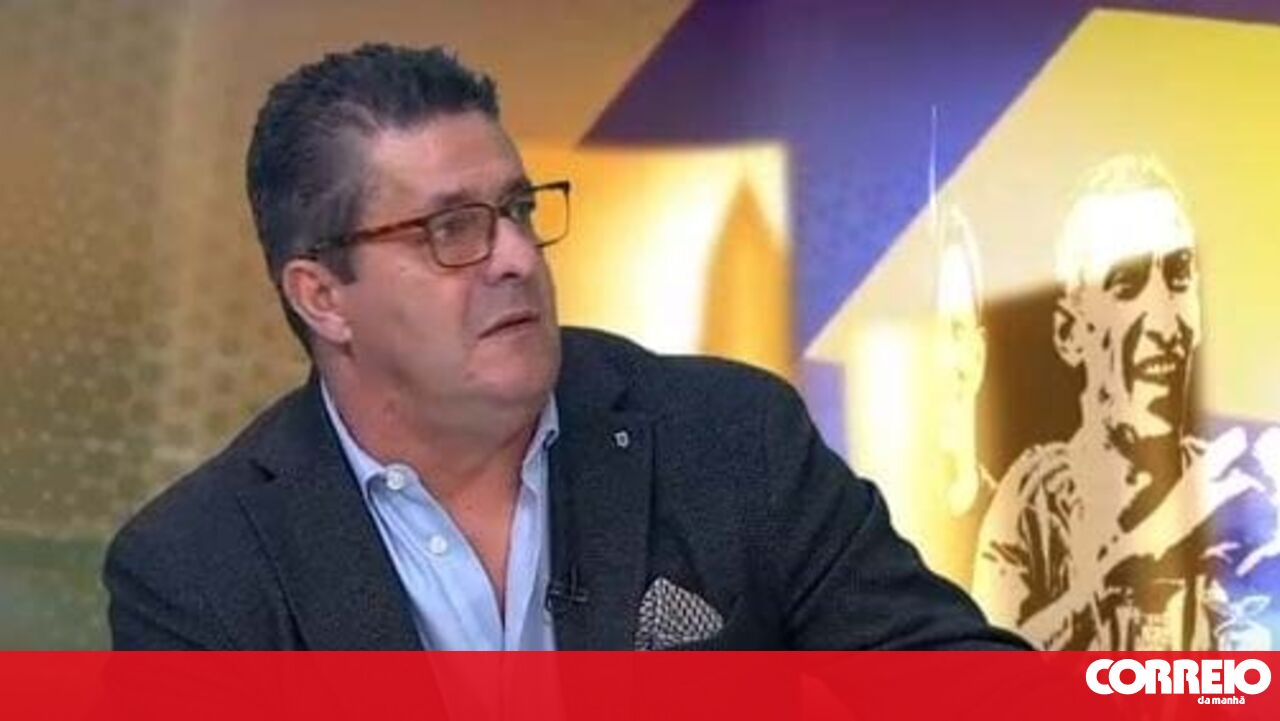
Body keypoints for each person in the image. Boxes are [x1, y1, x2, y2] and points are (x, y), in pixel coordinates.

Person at [104, 43, 1025, 650]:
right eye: (451, 229)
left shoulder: (730, 438)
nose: (514, 255)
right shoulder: (200, 569)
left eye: (517, 209)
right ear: (322, 297)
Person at [971, 155, 1273, 650]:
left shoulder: (1245, 500)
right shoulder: (1032, 506)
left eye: (1179, 277)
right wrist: (1125, 564)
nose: (1164, 322)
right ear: (1070, 333)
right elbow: (975, 680)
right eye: (1126, 284)